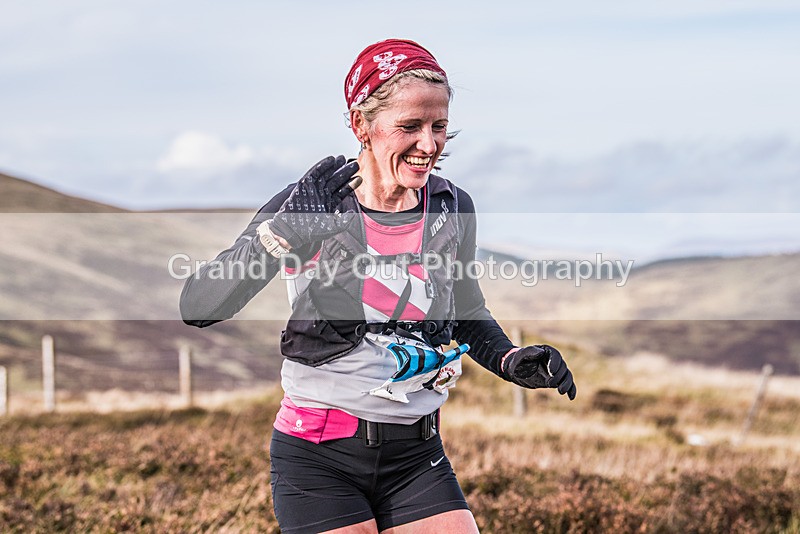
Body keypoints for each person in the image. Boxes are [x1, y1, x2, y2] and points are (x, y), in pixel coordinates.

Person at [180, 38, 576, 534]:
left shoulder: (453, 206)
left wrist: (509, 360)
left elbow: (467, 310)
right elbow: (199, 305)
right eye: (409, 127)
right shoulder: (312, 202)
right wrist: (283, 234)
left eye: (439, 127)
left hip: (418, 456)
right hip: (319, 459)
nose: (428, 145)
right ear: (360, 125)